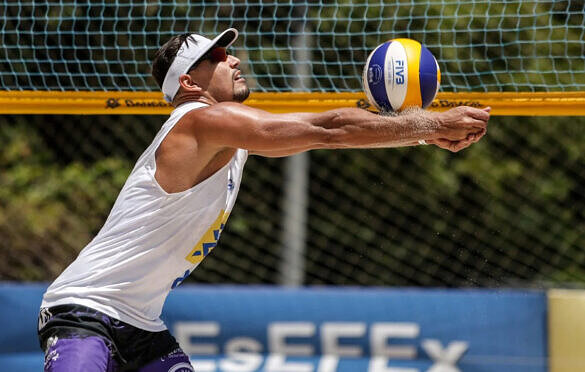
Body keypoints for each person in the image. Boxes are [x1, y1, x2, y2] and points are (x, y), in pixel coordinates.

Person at [37, 28, 489, 372]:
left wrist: (424, 137)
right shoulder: (198, 122)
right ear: (189, 85)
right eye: (214, 56)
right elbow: (327, 130)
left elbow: (325, 137)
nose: (231, 57)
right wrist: (431, 124)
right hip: (84, 310)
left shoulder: (229, 138)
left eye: (225, 50)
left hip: (141, 325)